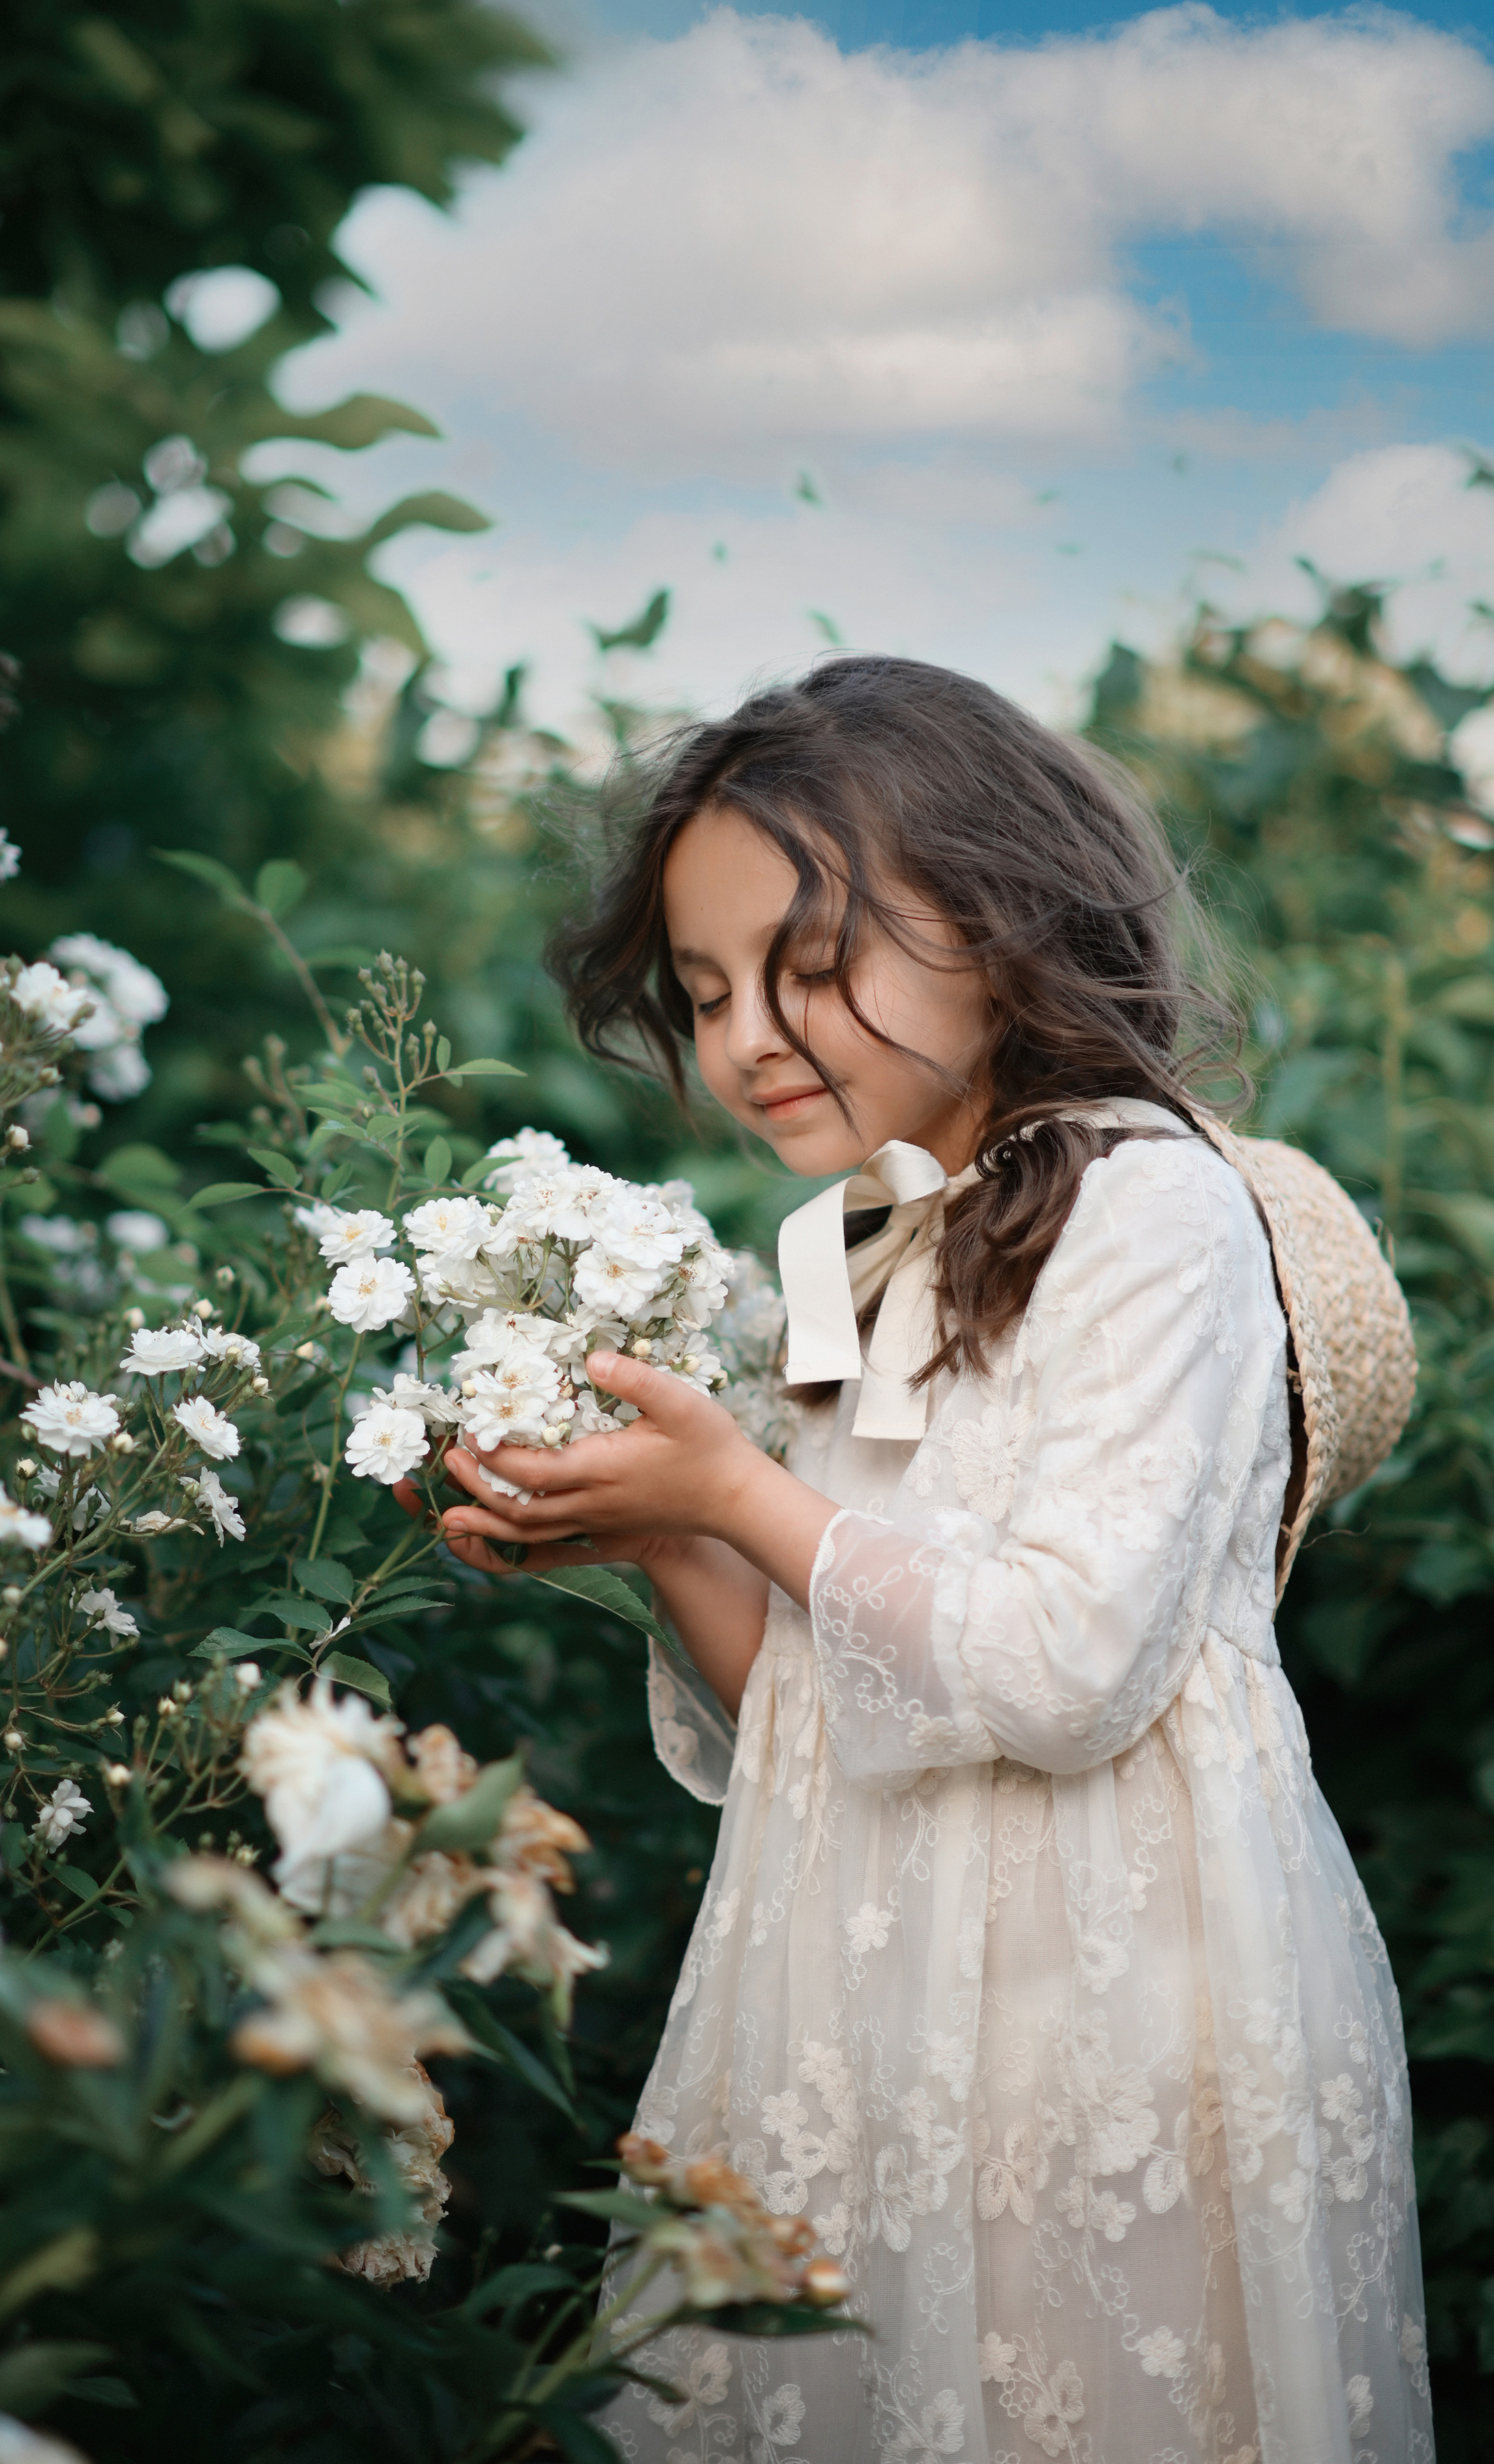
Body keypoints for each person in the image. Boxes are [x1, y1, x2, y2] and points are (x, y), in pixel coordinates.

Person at [436, 657, 1433, 2464]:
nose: (746, 1036)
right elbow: (816, 1708)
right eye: (709, 988)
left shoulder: (1151, 1205)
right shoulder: (845, 1253)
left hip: (1109, 1987)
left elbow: (1065, 1670)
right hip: (863, 1969)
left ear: (1007, 921)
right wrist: (671, 1526)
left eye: (813, 966)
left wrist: (741, 1492)